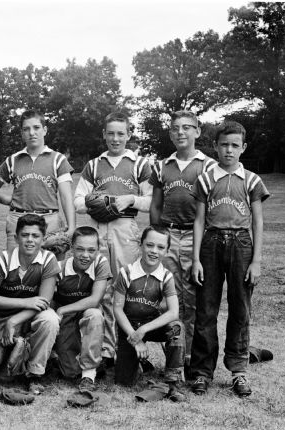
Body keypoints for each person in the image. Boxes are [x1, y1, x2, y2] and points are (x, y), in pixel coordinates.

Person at [190, 121, 270, 397]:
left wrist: (256, 261)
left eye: (235, 145)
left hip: (241, 244)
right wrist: (195, 259)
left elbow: (258, 222)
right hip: (211, 243)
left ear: (243, 148)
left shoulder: (251, 180)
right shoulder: (206, 178)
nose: (229, 150)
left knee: (240, 309)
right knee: (206, 309)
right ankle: (202, 371)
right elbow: (199, 221)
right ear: (215, 146)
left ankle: (238, 370)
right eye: (224, 144)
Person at [74, 111, 152, 368]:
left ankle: (127, 351)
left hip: (125, 226)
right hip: (98, 226)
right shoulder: (94, 165)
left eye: (121, 133)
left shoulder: (139, 164)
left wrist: (131, 199)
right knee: (102, 289)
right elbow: (77, 201)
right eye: (111, 133)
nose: (116, 138)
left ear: (129, 134)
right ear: (104, 135)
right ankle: (106, 351)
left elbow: (152, 202)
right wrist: (94, 203)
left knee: (125, 287)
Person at [149, 110, 216, 376]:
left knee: (194, 296)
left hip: (195, 235)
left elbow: (212, 206)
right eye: (175, 128)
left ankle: (192, 357)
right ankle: (174, 356)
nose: (180, 132)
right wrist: (157, 234)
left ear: (197, 132)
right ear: (170, 133)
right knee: (169, 296)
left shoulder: (209, 165)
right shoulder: (161, 166)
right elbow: (155, 205)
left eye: (187, 127)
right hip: (168, 234)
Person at [0, 214, 60, 395]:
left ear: (43, 238)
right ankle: (21, 345)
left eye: (35, 236)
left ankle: (35, 374)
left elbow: (44, 301)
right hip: (2, 317)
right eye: (25, 235)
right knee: (2, 374)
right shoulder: (3, 260)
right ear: (16, 237)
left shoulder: (48, 260)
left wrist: (14, 320)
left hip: (28, 316)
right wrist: (24, 302)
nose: (30, 240)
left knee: (50, 319)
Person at [113, 227, 186, 402]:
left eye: (161, 247)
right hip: (129, 327)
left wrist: (144, 330)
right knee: (124, 382)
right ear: (141, 245)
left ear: (167, 251)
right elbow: (117, 309)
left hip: (151, 325)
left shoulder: (166, 276)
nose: (154, 251)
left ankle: (173, 382)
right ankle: (140, 364)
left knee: (177, 328)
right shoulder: (126, 272)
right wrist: (136, 338)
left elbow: (173, 312)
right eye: (149, 245)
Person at [0, 110, 75, 255]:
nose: (32, 133)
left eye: (36, 128)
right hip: (18, 221)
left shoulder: (58, 159)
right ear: (22, 133)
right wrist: (6, 200)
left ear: (45, 130)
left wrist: (72, 226)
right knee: (15, 271)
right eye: (26, 129)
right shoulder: (13, 160)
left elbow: (66, 196)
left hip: (49, 221)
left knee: (50, 271)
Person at [53, 226, 111, 391]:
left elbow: (94, 299)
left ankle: (89, 375)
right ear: (71, 249)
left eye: (91, 250)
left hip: (85, 314)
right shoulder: (60, 268)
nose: (86, 255)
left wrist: (62, 310)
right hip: (67, 319)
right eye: (80, 249)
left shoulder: (100, 263)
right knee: (70, 372)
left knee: (95, 314)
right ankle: (59, 358)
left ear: (98, 250)